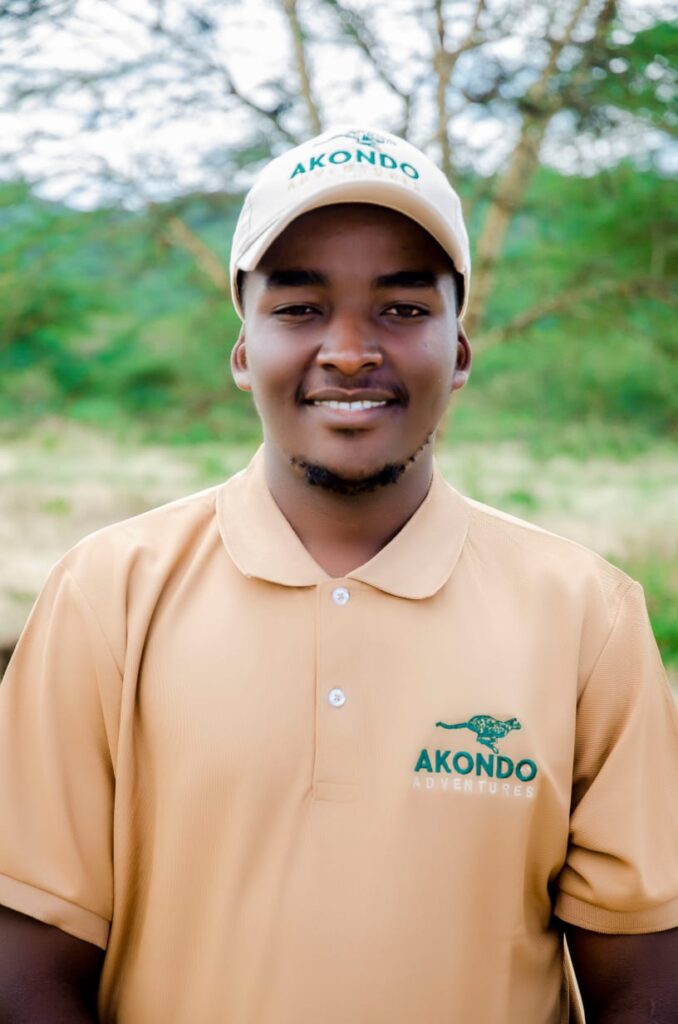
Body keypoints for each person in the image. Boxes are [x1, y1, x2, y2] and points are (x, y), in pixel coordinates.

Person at [0, 126, 676, 1024]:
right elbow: (27, 968)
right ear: (243, 349)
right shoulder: (105, 595)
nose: (351, 350)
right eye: (299, 307)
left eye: (402, 308)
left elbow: (648, 980)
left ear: (459, 350)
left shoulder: (589, 615)